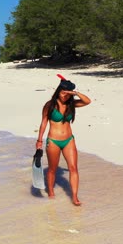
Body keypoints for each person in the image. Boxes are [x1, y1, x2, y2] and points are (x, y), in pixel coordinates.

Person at [36, 74, 91, 206]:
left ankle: (75, 197)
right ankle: (51, 192)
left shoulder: (72, 104)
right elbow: (44, 122)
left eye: (67, 94)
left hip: (69, 140)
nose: (64, 95)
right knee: (52, 170)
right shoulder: (49, 105)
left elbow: (87, 101)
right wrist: (39, 140)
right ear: (58, 91)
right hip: (53, 141)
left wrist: (74, 92)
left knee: (73, 168)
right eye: (62, 92)